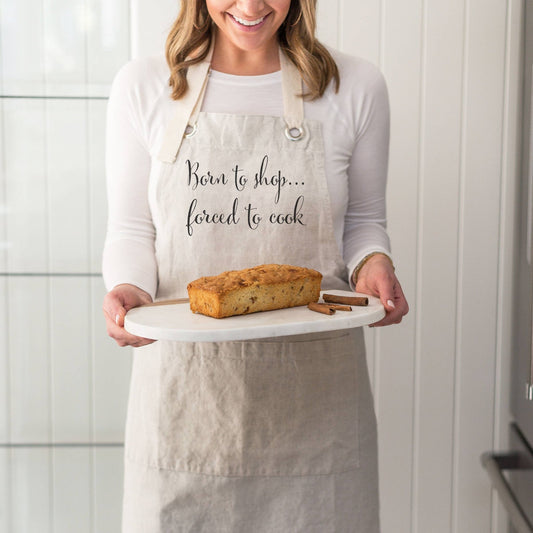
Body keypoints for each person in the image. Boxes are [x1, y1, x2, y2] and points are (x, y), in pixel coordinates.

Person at [102, 0, 409, 531]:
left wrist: (373, 263)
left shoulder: (355, 86)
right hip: (184, 411)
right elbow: (133, 228)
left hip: (318, 417)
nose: (249, 6)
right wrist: (128, 288)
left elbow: (363, 222)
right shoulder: (145, 85)